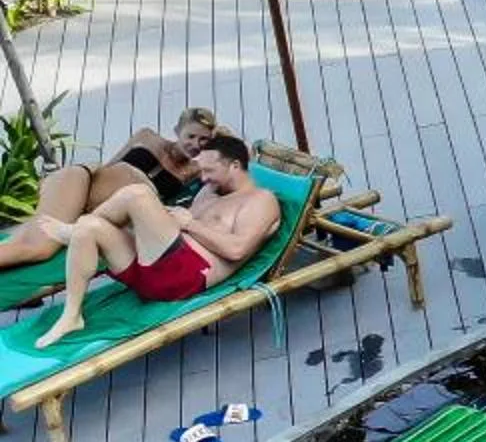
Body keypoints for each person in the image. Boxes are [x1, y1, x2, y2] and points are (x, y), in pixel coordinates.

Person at [30, 133, 280, 349]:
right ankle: (72, 315)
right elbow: (176, 232)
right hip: (155, 271)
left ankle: (70, 233)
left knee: (138, 194)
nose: (202, 178)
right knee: (90, 227)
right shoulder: (208, 192)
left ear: (235, 166)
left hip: (186, 276)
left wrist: (190, 223)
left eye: (209, 171)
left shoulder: (260, 200)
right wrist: (167, 218)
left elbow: (237, 249)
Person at [0, 108, 221, 272]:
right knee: (39, 247)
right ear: (177, 130)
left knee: (30, 244)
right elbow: (110, 165)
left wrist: (218, 135)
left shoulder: (194, 170)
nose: (195, 144)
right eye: (190, 136)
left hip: (88, 209)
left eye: (204, 140)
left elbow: (237, 154)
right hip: (82, 183)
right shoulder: (147, 137)